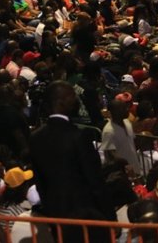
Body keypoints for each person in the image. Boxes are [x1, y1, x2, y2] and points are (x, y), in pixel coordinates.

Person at [30, 81, 114, 238]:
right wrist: (110, 219)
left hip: (58, 220)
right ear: (61, 102)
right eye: (72, 96)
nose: (76, 100)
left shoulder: (35, 138)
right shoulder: (79, 136)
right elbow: (95, 181)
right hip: (88, 221)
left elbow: (41, 183)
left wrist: (52, 215)